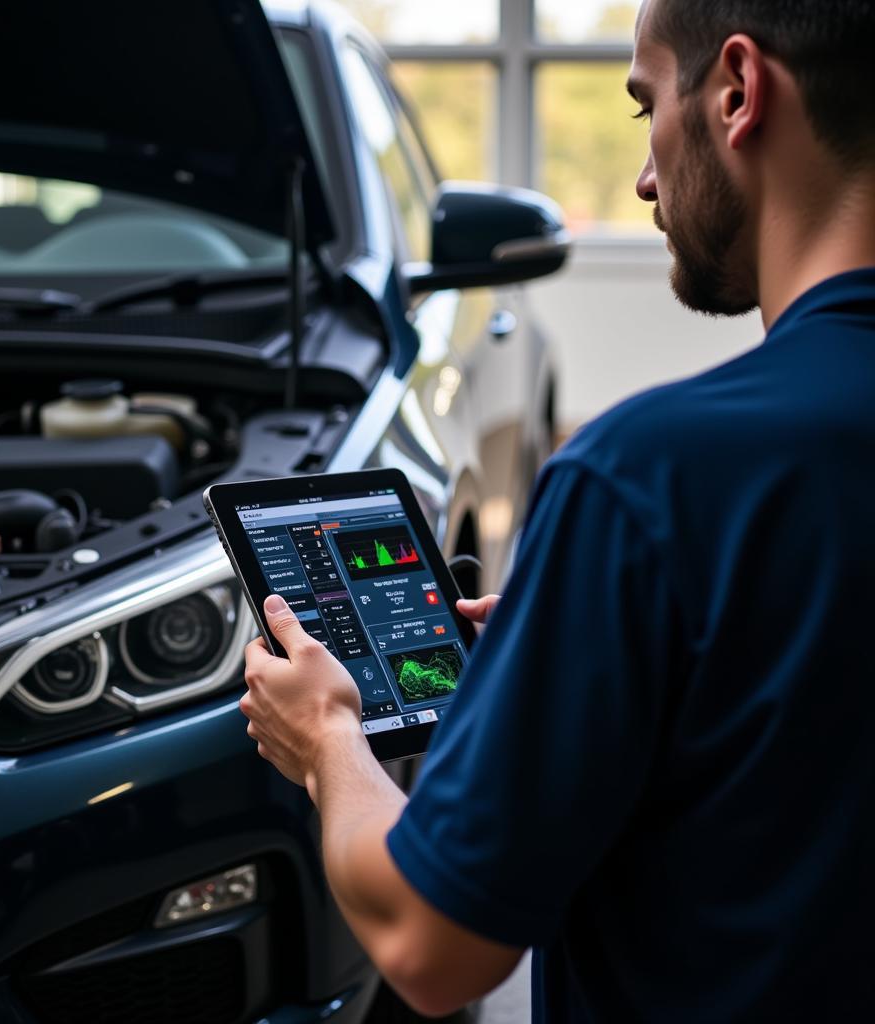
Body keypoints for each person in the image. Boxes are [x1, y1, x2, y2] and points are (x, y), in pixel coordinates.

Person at [240, 0, 875, 1019]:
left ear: (737, 92)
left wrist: (326, 740)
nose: (642, 175)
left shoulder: (647, 476)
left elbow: (428, 941)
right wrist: (605, 653)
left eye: (642, 108)